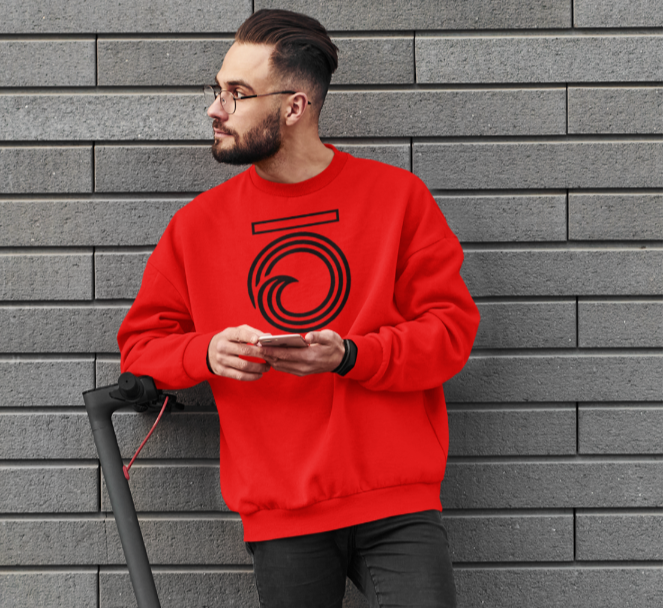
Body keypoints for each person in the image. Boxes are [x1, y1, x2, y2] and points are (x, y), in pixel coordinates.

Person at [116, 8, 480, 608]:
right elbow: (142, 348)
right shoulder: (196, 228)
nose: (215, 108)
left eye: (237, 94)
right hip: (281, 514)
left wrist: (353, 355)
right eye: (217, 90)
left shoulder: (397, 200)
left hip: (397, 504)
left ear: (293, 108)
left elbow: (449, 333)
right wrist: (204, 352)